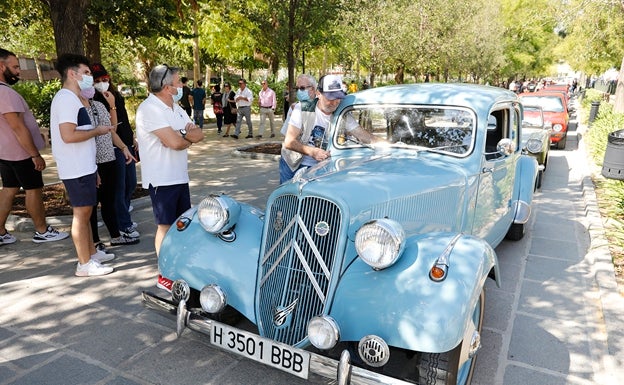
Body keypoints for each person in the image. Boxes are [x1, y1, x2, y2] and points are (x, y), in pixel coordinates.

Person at [50, 53, 116, 276]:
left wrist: (94, 168)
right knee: (81, 214)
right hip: (75, 167)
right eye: (86, 73)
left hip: (84, 166)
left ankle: (91, 253)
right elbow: (68, 135)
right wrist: (97, 131)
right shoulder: (66, 98)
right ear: (72, 73)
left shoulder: (72, 98)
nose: (90, 77)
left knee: (86, 213)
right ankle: (84, 264)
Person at [0, 48, 69, 246]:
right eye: (14, 67)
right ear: (1, 66)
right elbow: (18, 128)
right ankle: (41, 230)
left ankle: (1, 232)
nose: (18, 71)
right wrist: (34, 155)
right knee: (34, 189)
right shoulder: (5, 93)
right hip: (21, 153)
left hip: (6, 153)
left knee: (9, 189)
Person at [135, 64, 204, 257]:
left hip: (179, 176)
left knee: (182, 224)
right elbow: (175, 143)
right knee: (165, 226)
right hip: (161, 179)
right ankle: (163, 270)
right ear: (167, 88)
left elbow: (198, 134)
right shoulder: (149, 109)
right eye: (178, 82)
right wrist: (183, 135)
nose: (181, 86)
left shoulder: (177, 109)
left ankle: (179, 264)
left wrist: (180, 136)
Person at [280, 74, 377, 184]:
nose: (335, 102)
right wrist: (312, 152)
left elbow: (363, 136)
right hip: (292, 163)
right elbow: (289, 141)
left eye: (338, 97)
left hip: (319, 166)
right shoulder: (302, 108)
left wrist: (391, 145)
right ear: (318, 93)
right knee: (288, 195)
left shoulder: (342, 114)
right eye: (330, 98)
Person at [79, 85, 139, 249]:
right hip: (91, 162)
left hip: (109, 158)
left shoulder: (98, 106)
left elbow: (111, 130)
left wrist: (123, 148)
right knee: (92, 202)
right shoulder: (75, 110)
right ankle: (95, 241)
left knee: (110, 199)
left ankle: (115, 235)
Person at [91, 63, 140, 243]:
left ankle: (123, 214)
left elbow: (124, 120)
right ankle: (123, 224)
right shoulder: (96, 101)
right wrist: (111, 106)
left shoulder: (115, 95)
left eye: (104, 79)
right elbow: (112, 126)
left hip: (126, 142)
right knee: (118, 188)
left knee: (131, 183)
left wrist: (131, 139)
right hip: (113, 146)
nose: (102, 83)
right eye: (97, 81)